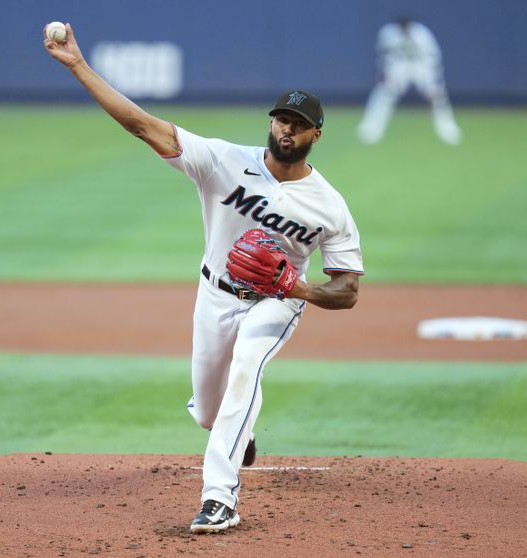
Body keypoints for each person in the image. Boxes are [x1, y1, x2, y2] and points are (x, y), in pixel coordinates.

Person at [43, 23, 364, 533]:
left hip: (276, 302)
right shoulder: (222, 161)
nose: (286, 128)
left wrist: (296, 288)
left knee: (247, 368)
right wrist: (78, 66)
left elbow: (347, 288)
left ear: (315, 135)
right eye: (280, 118)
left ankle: (220, 498)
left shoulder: (329, 205)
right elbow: (142, 125)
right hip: (213, 294)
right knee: (210, 412)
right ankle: (238, 432)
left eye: (297, 123)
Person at [357, 17, 462, 145]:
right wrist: (384, 72)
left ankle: (448, 131)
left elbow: (433, 55)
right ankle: (371, 130)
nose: (404, 30)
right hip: (399, 67)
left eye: (406, 28)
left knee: (437, 96)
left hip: (422, 66)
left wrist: (434, 80)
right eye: (402, 28)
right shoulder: (388, 33)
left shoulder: (422, 34)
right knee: (383, 93)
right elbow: (383, 55)